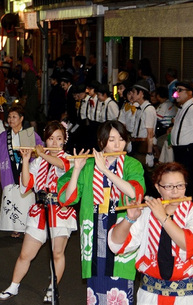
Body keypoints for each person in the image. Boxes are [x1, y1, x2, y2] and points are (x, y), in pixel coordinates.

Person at [58, 120, 146, 305]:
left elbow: (135, 193)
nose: (116, 144)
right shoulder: (89, 165)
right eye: (111, 139)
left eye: (121, 139)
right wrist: (77, 170)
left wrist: (105, 170)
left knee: (121, 289)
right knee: (96, 291)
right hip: (95, 233)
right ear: (101, 141)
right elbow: (66, 199)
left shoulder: (132, 164)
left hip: (121, 232)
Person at [109, 162, 193, 305]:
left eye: (180, 185)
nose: (175, 192)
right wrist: (129, 219)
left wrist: (163, 218)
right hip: (149, 294)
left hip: (187, 296)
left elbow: (189, 244)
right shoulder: (147, 212)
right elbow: (116, 243)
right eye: (169, 187)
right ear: (158, 188)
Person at [0, 121, 76, 302]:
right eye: (50, 139)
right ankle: (13, 286)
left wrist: (41, 153)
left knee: (57, 253)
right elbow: (26, 185)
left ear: (64, 140)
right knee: (25, 254)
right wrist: (26, 160)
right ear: (45, 140)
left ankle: (52, 288)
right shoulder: (39, 160)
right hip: (39, 210)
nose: (55, 143)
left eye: (59, 139)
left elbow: (61, 166)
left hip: (60, 212)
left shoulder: (69, 159)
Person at [0, 105, 43, 238]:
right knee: (11, 198)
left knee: (26, 200)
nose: (11, 120)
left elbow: (40, 150)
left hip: (26, 171)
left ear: (21, 119)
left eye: (14, 117)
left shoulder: (28, 134)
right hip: (8, 173)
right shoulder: (3, 136)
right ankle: (14, 227)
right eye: (9, 117)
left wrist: (35, 153)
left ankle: (28, 227)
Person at [169, 81, 193, 205]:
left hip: (189, 151)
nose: (177, 93)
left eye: (180, 90)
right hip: (180, 151)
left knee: (191, 184)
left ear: (190, 92)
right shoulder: (183, 107)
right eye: (176, 90)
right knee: (183, 182)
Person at [130, 80, 157, 169]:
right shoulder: (139, 108)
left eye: (134, 92)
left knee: (143, 171)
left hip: (143, 145)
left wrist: (149, 153)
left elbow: (150, 133)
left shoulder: (149, 109)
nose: (132, 95)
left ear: (141, 93)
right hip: (136, 143)